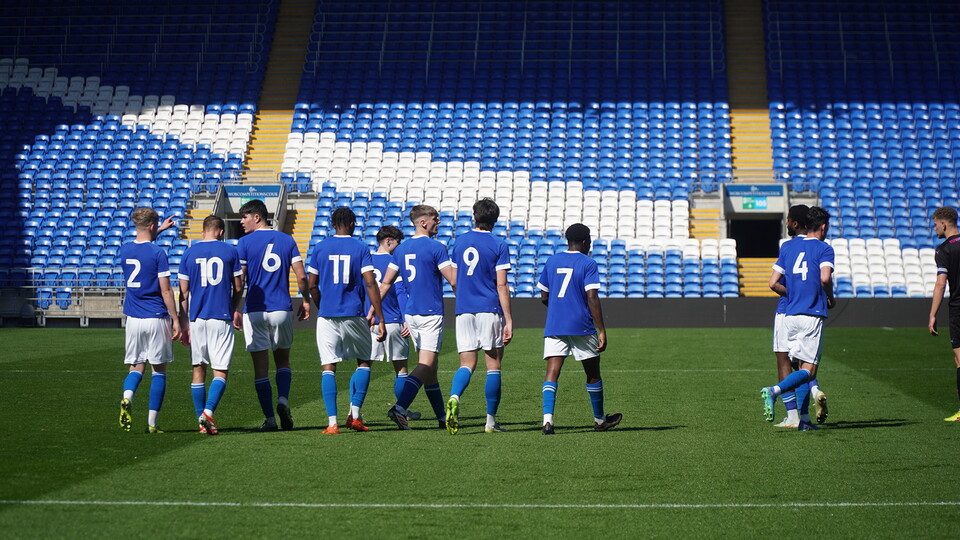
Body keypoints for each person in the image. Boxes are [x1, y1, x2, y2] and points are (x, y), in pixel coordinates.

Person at [306, 207, 386, 434]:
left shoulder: (320, 248)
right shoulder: (360, 247)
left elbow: (312, 284)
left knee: (328, 367)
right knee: (364, 361)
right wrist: (380, 317)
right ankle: (356, 416)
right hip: (354, 313)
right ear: (352, 223)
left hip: (327, 315)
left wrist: (322, 305)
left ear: (332, 224)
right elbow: (371, 283)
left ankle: (332, 423)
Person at [537, 223, 622, 435]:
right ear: (585, 242)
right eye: (590, 240)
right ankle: (600, 420)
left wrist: (560, 309)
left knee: (552, 371)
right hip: (581, 325)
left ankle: (548, 421)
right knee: (592, 373)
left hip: (555, 324)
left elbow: (544, 296)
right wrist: (601, 329)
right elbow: (592, 296)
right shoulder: (588, 263)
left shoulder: (552, 260)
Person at [234, 199, 311, 432]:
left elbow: (240, 281)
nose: (241, 221)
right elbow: (301, 277)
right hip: (281, 309)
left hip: (255, 310)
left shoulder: (244, 243)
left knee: (260, 367)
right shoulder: (287, 240)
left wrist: (236, 308)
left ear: (257, 217)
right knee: (283, 361)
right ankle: (283, 400)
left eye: (245, 216)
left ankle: (269, 419)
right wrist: (306, 300)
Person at [381, 204, 457, 430]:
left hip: (412, 314)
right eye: (436, 218)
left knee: (430, 371)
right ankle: (400, 408)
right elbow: (453, 279)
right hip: (430, 312)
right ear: (423, 222)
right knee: (426, 363)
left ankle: (442, 417)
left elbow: (386, 282)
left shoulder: (401, 249)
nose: (439, 222)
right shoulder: (436, 247)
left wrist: (373, 309)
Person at [762, 206, 835, 431]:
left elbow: (773, 282)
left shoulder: (788, 246)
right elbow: (824, 278)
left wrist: (794, 293)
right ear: (823, 227)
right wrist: (829, 296)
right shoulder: (824, 248)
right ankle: (776, 392)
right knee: (807, 368)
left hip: (789, 312)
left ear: (796, 223)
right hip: (811, 312)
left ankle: (801, 420)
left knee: (790, 362)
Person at [445, 198, 514, 434]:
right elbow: (502, 285)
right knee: (493, 365)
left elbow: (454, 280)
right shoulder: (499, 244)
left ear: (474, 216)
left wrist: (465, 294)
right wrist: (509, 319)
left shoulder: (460, 241)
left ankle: (454, 396)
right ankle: (490, 423)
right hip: (488, 309)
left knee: (466, 363)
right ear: (495, 219)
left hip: (463, 309)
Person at [177, 215, 244, 435]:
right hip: (220, 315)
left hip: (197, 318)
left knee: (198, 369)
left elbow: (184, 292)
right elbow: (238, 286)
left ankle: (201, 422)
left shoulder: (189, 253)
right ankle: (208, 412)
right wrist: (234, 308)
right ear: (221, 232)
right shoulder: (229, 252)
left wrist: (184, 320)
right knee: (220, 371)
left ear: (203, 229)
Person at [117, 208, 180, 434]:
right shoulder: (158, 253)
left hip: (133, 318)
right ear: (152, 225)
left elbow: (143, 245)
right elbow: (166, 291)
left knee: (136, 367)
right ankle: (152, 424)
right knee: (159, 371)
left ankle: (127, 398)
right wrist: (176, 319)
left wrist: (159, 229)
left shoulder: (125, 250)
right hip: (155, 317)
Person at [364, 225, 422, 420]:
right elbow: (399, 292)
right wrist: (406, 318)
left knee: (364, 366)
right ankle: (401, 410)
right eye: (397, 243)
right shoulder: (394, 261)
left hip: (370, 321)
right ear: (388, 241)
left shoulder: (366, 261)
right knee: (401, 368)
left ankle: (354, 411)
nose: (398, 248)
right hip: (393, 320)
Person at [928, 206, 960, 421]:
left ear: (944, 224)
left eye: (935, 223)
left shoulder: (944, 250)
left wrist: (932, 314)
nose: (934, 227)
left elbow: (941, 284)